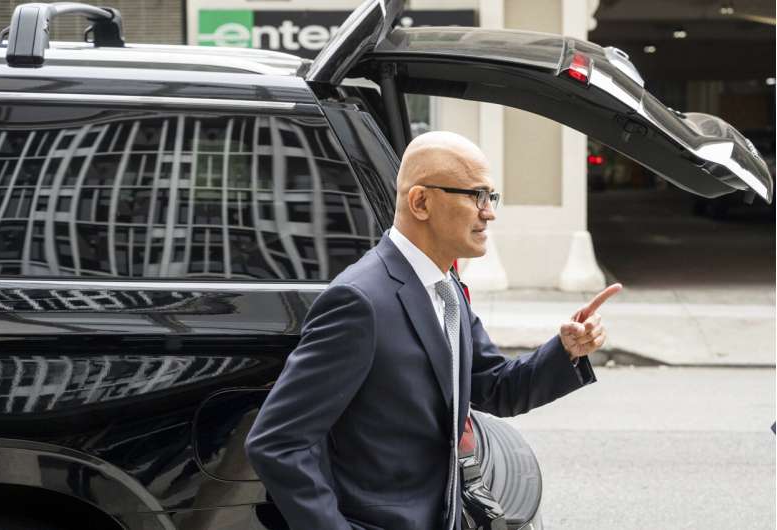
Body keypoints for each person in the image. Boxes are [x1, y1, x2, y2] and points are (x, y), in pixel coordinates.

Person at [245, 131, 622, 530]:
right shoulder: (360, 302)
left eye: (490, 197)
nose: (488, 212)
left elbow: (494, 386)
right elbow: (277, 443)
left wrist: (566, 350)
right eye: (475, 195)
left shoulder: (446, 288)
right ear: (421, 202)